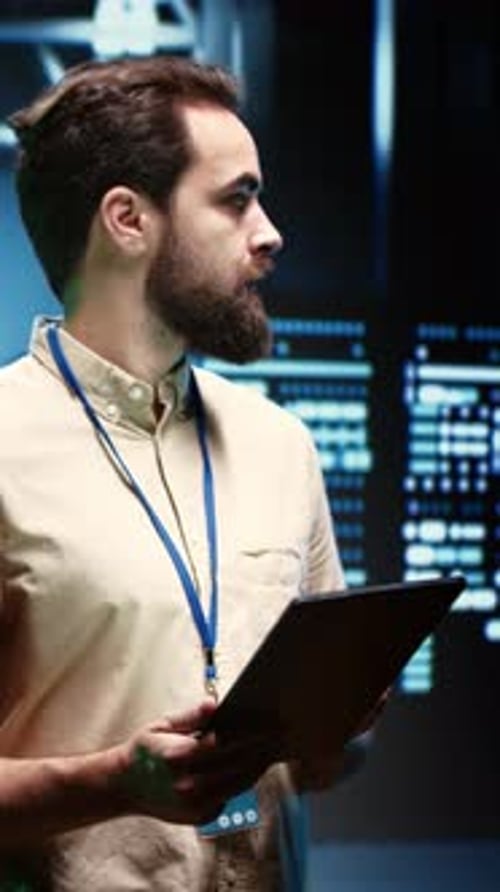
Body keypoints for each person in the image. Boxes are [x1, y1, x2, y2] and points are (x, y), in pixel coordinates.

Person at [0, 54, 376, 891]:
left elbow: (322, 761)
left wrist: (336, 726)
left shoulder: (282, 447)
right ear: (128, 220)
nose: (270, 232)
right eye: (237, 198)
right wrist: (110, 782)